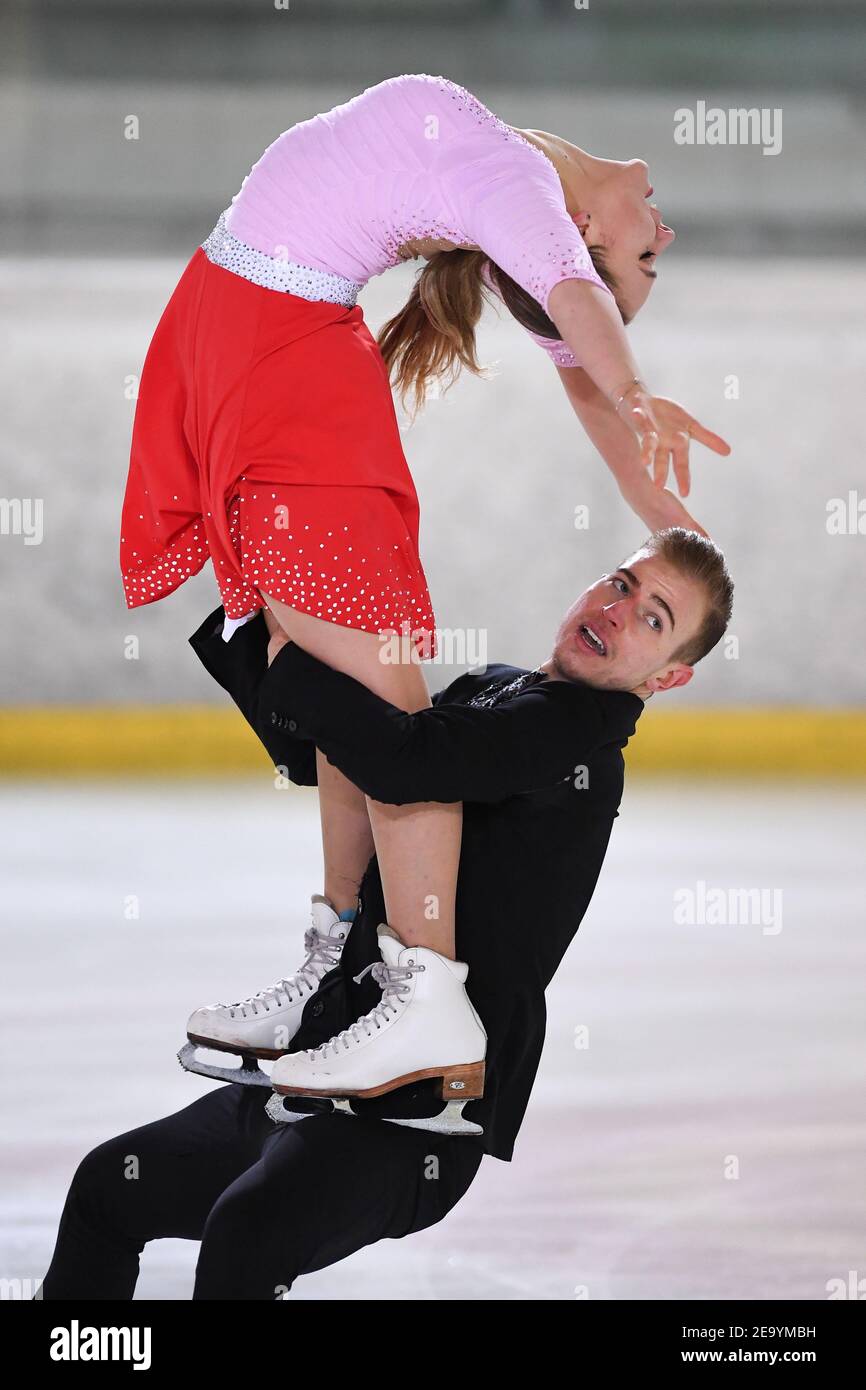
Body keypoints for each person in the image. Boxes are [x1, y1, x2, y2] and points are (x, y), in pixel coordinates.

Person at [119, 72, 731, 1098]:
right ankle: (343, 959)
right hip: (261, 345)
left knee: (379, 714)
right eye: (644, 258)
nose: (660, 240)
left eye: (642, 262)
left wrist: (676, 525)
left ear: (570, 227)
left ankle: (424, 994)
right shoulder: (512, 184)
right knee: (350, 701)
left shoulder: (520, 195)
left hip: (284, 365)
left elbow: (586, 346)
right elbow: (587, 358)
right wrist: (633, 409)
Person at [40, 528, 732, 1299]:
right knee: (109, 1189)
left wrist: (285, 635)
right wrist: (258, 623)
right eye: (621, 582)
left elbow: (405, 762)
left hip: (415, 1119)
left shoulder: (578, 743)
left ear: (668, 677)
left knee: (249, 1231)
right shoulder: (496, 686)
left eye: (654, 617)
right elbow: (336, 756)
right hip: (334, 1060)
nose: (618, 608)